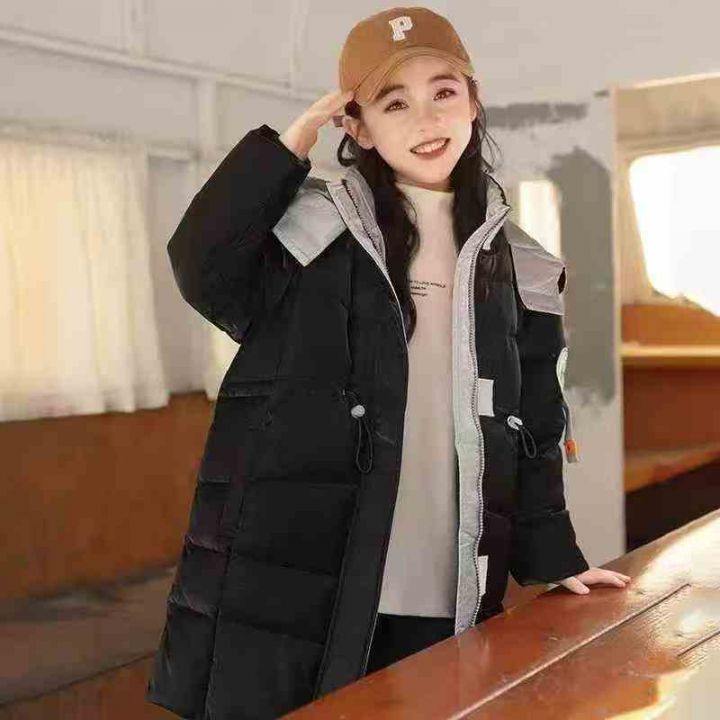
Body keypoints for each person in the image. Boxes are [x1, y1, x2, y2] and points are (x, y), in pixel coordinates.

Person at [147, 6, 630, 719]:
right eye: (393, 102)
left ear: (473, 102)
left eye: (444, 91)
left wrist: (555, 555)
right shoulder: (313, 230)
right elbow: (202, 268)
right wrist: (288, 145)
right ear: (359, 127)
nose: (425, 119)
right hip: (304, 584)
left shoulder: (522, 265)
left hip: (448, 583)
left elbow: (534, 423)